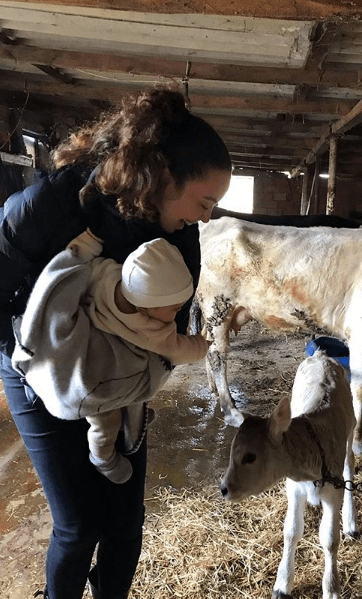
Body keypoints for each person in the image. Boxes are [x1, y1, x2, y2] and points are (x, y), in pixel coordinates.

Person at [0, 87, 231, 599]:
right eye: (206, 201)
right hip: (41, 372)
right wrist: (39, 363)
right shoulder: (54, 202)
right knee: (78, 524)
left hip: (120, 377)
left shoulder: (179, 234)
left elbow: (171, 317)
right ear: (165, 177)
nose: (209, 217)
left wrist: (140, 364)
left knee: (125, 521)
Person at [13, 228, 211, 485]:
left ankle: (132, 420)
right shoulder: (153, 330)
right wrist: (202, 344)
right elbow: (180, 350)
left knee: (129, 377)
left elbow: (84, 264)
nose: (177, 314)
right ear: (145, 305)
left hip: (95, 344)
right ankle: (103, 458)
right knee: (107, 422)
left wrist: (87, 243)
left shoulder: (107, 274)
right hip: (92, 378)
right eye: (174, 308)